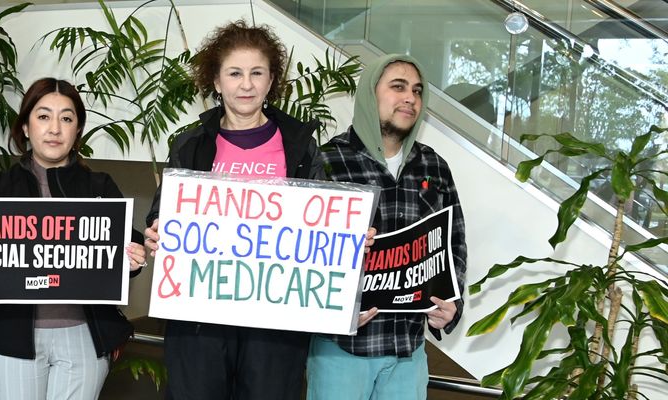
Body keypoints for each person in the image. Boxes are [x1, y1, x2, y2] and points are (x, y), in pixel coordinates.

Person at [0, 77, 147, 400]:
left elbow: (127, 242)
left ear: (77, 131)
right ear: (26, 127)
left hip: (84, 338)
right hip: (14, 337)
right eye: (44, 116)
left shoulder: (98, 186)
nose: (55, 128)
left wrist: (134, 257)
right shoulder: (1, 186)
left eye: (67, 118)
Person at [142, 21, 324, 399]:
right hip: (199, 322)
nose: (246, 85)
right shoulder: (190, 145)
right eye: (235, 73)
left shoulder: (300, 147)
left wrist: (349, 239)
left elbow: (321, 222)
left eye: (257, 73)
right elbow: (163, 213)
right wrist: (157, 230)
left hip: (276, 323)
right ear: (216, 80)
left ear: (272, 79)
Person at [307, 54, 467, 400]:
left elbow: (454, 243)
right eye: (397, 87)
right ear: (370, 94)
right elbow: (301, 251)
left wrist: (452, 305)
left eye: (417, 90)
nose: (410, 97)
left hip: (408, 352)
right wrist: (333, 310)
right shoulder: (327, 161)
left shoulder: (433, 165)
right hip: (341, 350)